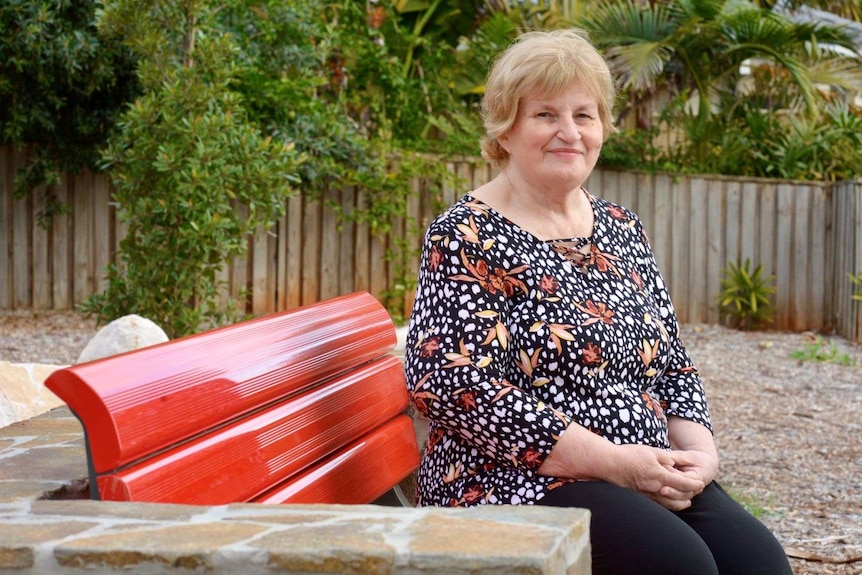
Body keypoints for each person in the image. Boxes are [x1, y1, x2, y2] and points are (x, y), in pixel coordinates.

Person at [404, 28, 792, 575]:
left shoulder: (620, 227)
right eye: (545, 115)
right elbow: (449, 384)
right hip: (511, 479)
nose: (569, 132)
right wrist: (614, 464)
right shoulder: (466, 235)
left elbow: (672, 365)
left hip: (644, 467)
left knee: (758, 563)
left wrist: (699, 459)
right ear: (505, 130)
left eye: (584, 116)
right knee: (677, 565)